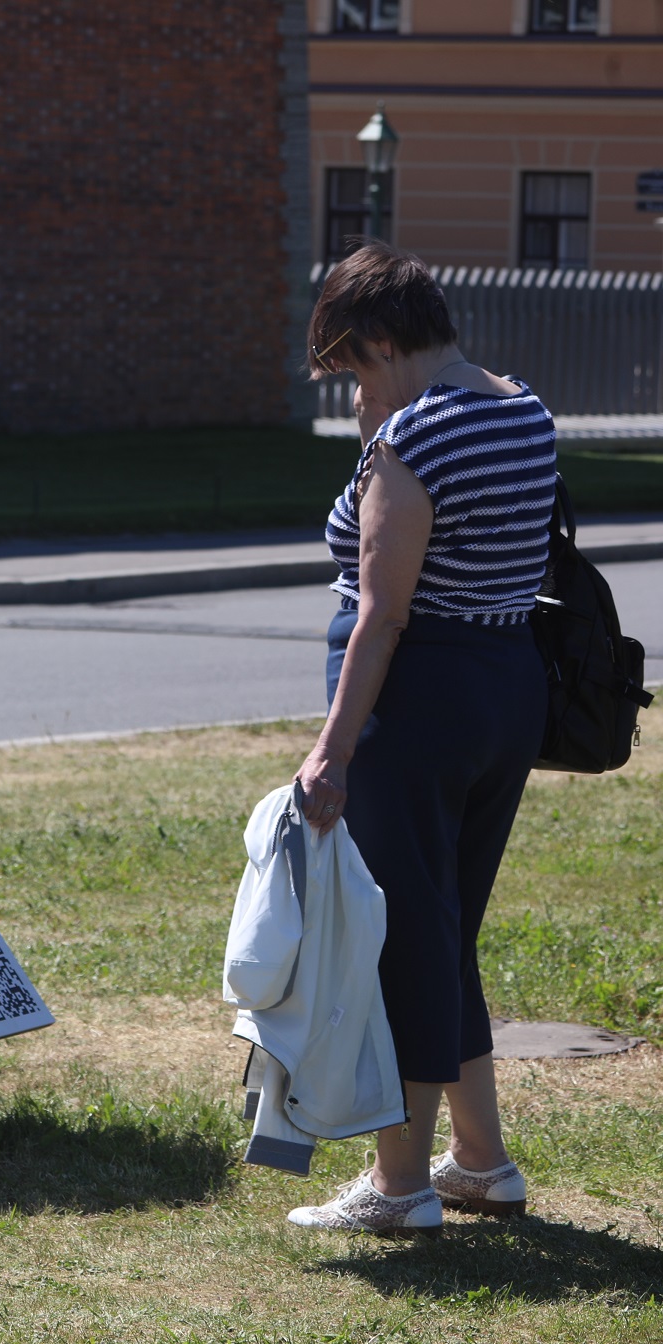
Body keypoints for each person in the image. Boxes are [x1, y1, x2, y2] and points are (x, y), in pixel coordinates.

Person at [286, 243, 556, 1236]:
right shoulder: (523, 407)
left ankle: (398, 1186)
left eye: (353, 368)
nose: (354, 393)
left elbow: (383, 615)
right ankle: (481, 1163)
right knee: (444, 930)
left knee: (400, 938)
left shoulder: (414, 438)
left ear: (384, 341)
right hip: (505, 692)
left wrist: (331, 750)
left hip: (415, 708)